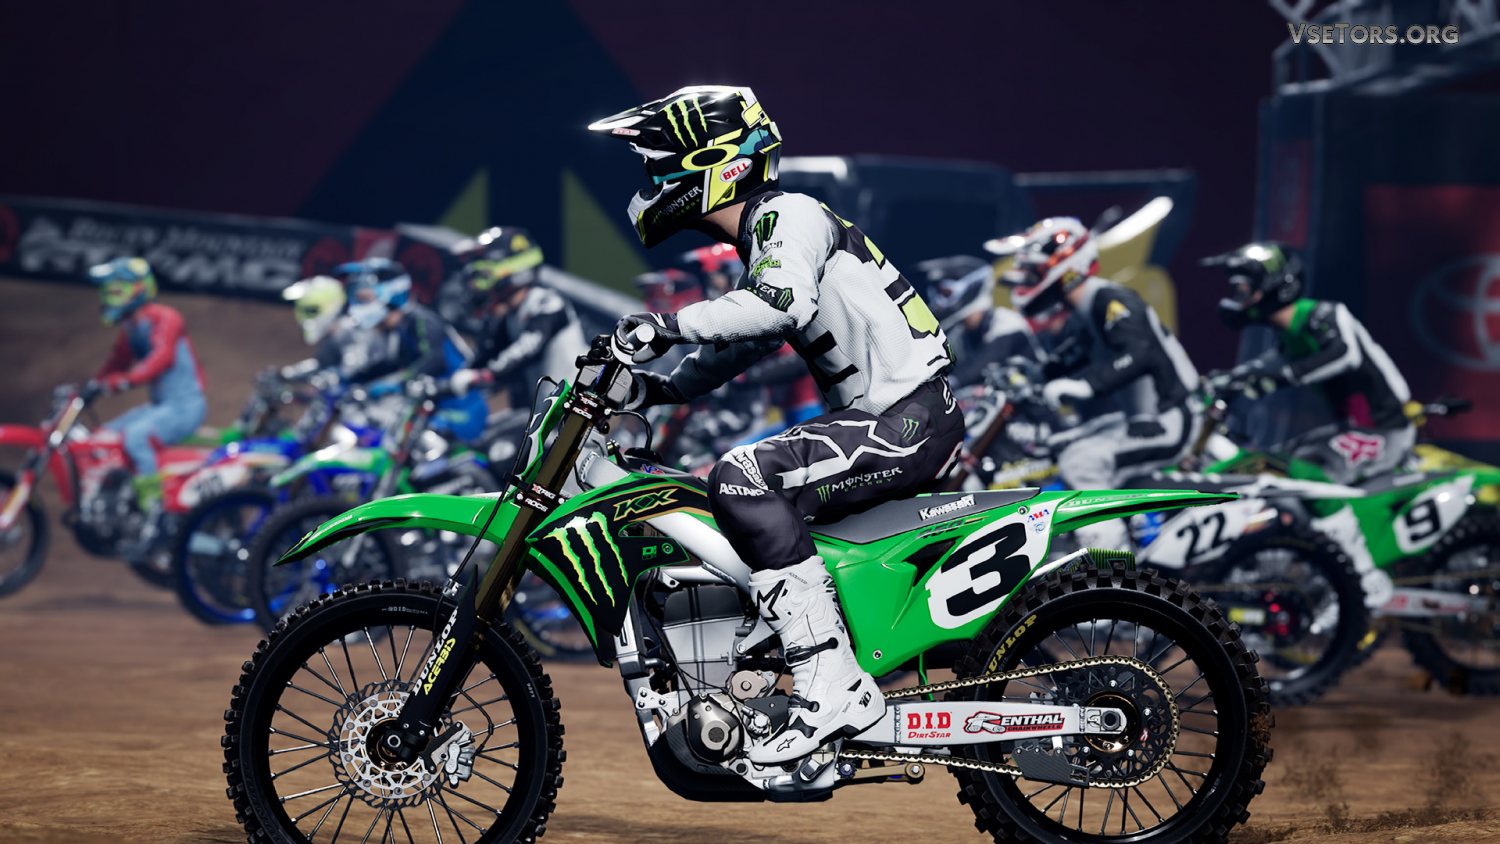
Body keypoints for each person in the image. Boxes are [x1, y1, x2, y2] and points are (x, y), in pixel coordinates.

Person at [589, 85, 964, 763]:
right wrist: (659, 388)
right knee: (736, 494)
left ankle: (831, 685)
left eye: (661, 165)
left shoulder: (789, 213)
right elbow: (749, 338)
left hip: (907, 420)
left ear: (714, 163)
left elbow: (776, 307)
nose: (652, 183)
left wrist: (664, 326)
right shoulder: (772, 229)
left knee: (741, 477)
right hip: (898, 417)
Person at [998, 217, 1200, 550]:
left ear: (1066, 264)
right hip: (1139, 419)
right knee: (1062, 446)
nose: (1026, 280)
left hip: (1172, 418)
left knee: (1082, 462)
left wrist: (1087, 384)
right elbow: (1069, 358)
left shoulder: (1110, 299)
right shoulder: (1085, 309)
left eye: (1033, 272)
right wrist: (1030, 376)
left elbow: (1141, 352)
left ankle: (1108, 564)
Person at [1204, 242, 1413, 483]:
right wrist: (1228, 379)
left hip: (1385, 432)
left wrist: (1280, 378)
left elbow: (1344, 354)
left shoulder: (1325, 314)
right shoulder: (1291, 336)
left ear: (1274, 285)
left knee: (1297, 476)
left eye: (1243, 290)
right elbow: (1269, 364)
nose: (1238, 299)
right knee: (1275, 463)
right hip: (1349, 430)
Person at [90, 257, 208, 504]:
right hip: (160, 406)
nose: (110, 298)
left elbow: (160, 358)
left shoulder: (165, 317)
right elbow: (117, 361)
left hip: (184, 407)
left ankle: (153, 505)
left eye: (116, 292)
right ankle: (118, 495)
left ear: (139, 289)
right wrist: (93, 385)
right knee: (105, 435)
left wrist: (126, 381)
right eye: (107, 292)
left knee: (136, 438)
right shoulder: (130, 328)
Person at [337, 258, 488, 444]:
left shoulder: (422, 320)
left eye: (365, 299)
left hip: (459, 412)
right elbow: (390, 365)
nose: (358, 306)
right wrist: (348, 378)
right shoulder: (398, 328)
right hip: (432, 409)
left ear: (392, 293)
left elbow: (435, 360)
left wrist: (397, 382)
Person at [445, 227, 587, 407]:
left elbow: (527, 348)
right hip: (542, 411)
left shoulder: (547, 302)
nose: (475, 285)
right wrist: (444, 384)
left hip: (576, 409)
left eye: (484, 274)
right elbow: (485, 358)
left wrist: (483, 375)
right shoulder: (508, 317)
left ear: (514, 269)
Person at [915, 254, 1040, 387]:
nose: (938, 302)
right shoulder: (960, 335)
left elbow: (984, 363)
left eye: (946, 293)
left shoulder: (1007, 321)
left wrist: (944, 385)